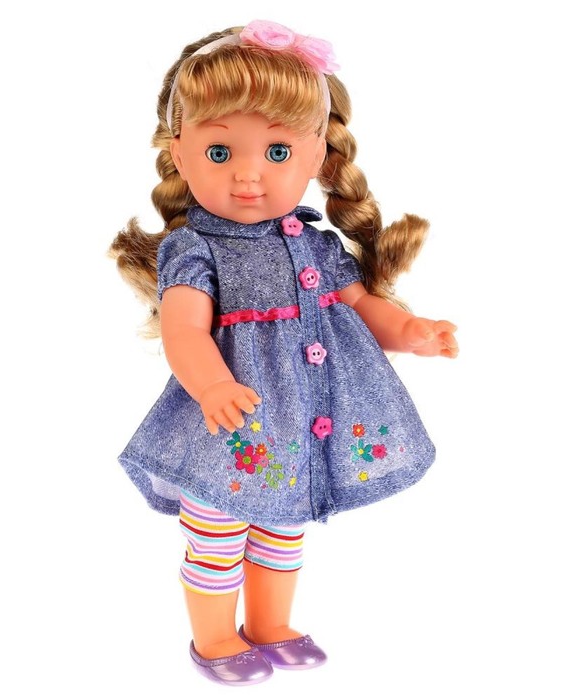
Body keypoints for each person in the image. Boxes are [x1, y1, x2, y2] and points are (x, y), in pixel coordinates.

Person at [110, 20, 458, 686]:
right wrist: (212, 386)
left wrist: (410, 331)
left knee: (282, 529)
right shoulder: (195, 248)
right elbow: (185, 331)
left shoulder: (316, 242)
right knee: (218, 533)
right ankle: (214, 638)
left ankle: (270, 625)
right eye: (219, 152)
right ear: (179, 152)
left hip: (298, 427)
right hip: (230, 428)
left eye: (277, 152)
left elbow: (360, 305)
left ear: (318, 156)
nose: (248, 174)